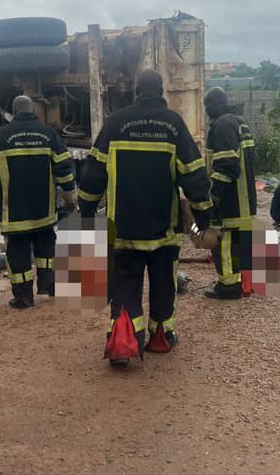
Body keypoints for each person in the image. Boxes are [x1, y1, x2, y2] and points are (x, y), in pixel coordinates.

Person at [78, 69, 213, 363]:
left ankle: (124, 341)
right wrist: (203, 219)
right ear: (161, 91)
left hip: (124, 228)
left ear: (136, 90)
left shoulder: (115, 124)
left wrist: (86, 213)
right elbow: (194, 176)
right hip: (163, 229)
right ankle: (161, 337)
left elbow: (92, 175)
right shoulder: (174, 125)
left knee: (125, 284)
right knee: (164, 284)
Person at [0, 95, 77, 308]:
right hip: (44, 209)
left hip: (14, 211)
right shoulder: (48, 134)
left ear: (14, 110)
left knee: (18, 253)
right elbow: (64, 167)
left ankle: (24, 297)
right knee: (46, 248)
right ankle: (50, 286)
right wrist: (70, 196)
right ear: (33, 111)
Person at [202, 87, 257, 300]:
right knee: (238, 242)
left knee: (222, 241)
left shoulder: (222, 125)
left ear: (214, 104)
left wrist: (214, 195)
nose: (207, 111)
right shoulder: (239, 122)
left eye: (208, 106)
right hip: (246, 197)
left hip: (232, 199)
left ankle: (228, 287)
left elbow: (226, 165)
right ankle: (243, 282)